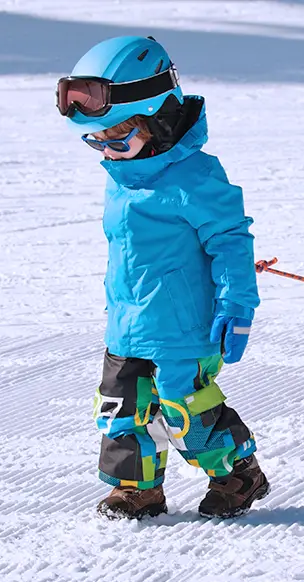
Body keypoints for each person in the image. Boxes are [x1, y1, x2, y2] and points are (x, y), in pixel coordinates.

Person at [57, 36, 269, 519]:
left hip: (184, 328)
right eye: (96, 140)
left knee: (184, 412)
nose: (106, 149)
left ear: (158, 120)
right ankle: (137, 490)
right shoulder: (121, 175)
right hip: (127, 327)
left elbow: (231, 240)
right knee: (120, 414)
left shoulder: (195, 177)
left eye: (117, 137)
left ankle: (239, 474)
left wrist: (238, 305)